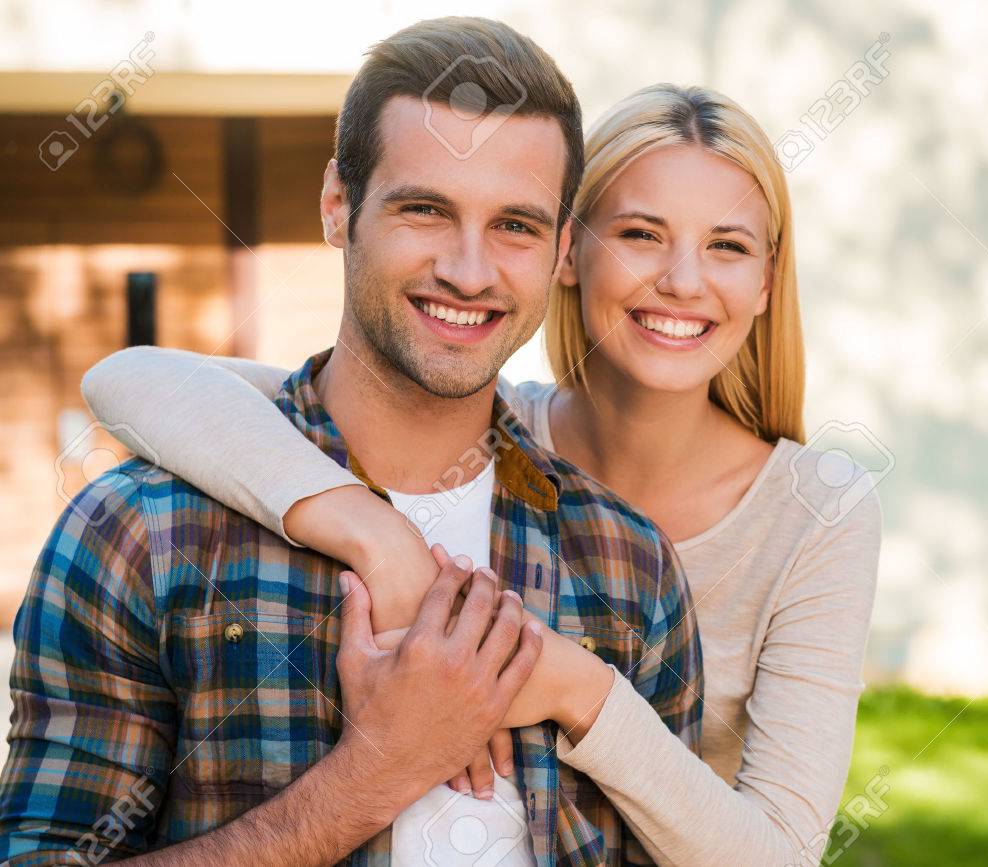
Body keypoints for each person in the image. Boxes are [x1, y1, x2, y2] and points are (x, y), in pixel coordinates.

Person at [80, 82, 882, 866]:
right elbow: (133, 380)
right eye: (640, 234)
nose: (681, 279)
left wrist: (577, 688)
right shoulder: (491, 434)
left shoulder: (817, 512)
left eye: (728, 245)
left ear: (768, 279)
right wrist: (382, 539)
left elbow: (780, 852)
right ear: (570, 254)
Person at [0, 18, 702, 867]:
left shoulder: (627, 565)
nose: (470, 271)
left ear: (560, 250)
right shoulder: (143, 532)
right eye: (424, 209)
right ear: (339, 205)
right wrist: (373, 775)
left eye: (515, 225)